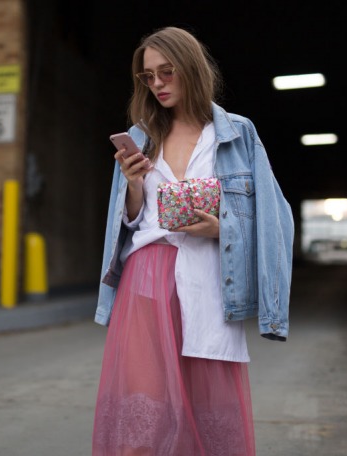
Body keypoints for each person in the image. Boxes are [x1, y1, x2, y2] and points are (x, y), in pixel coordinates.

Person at [92, 26, 293, 456]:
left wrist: (223, 229)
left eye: (167, 72)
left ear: (191, 69)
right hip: (146, 280)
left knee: (209, 412)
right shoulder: (141, 134)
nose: (158, 84)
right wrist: (132, 186)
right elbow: (128, 222)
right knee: (143, 416)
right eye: (148, 76)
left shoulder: (239, 133)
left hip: (210, 278)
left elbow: (276, 219)